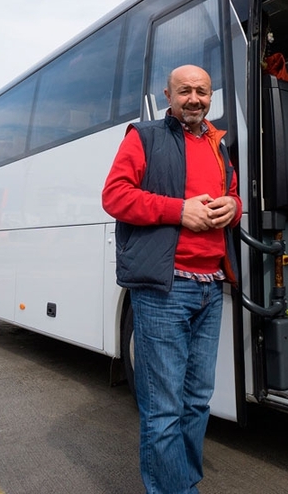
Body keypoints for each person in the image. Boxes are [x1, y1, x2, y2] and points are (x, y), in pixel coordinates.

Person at [102, 64, 242, 494]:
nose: (194, 98)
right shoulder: (143, 137)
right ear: (168, 95)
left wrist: (234, 208)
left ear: (211, 97)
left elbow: (233, 193)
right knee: (163, 407)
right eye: (185, 91)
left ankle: (181, 483)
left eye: (202, 91)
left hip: (210, 287)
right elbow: (115, 195)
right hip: (166, 289)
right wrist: (178, 210)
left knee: (197, 401)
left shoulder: (220, 145)